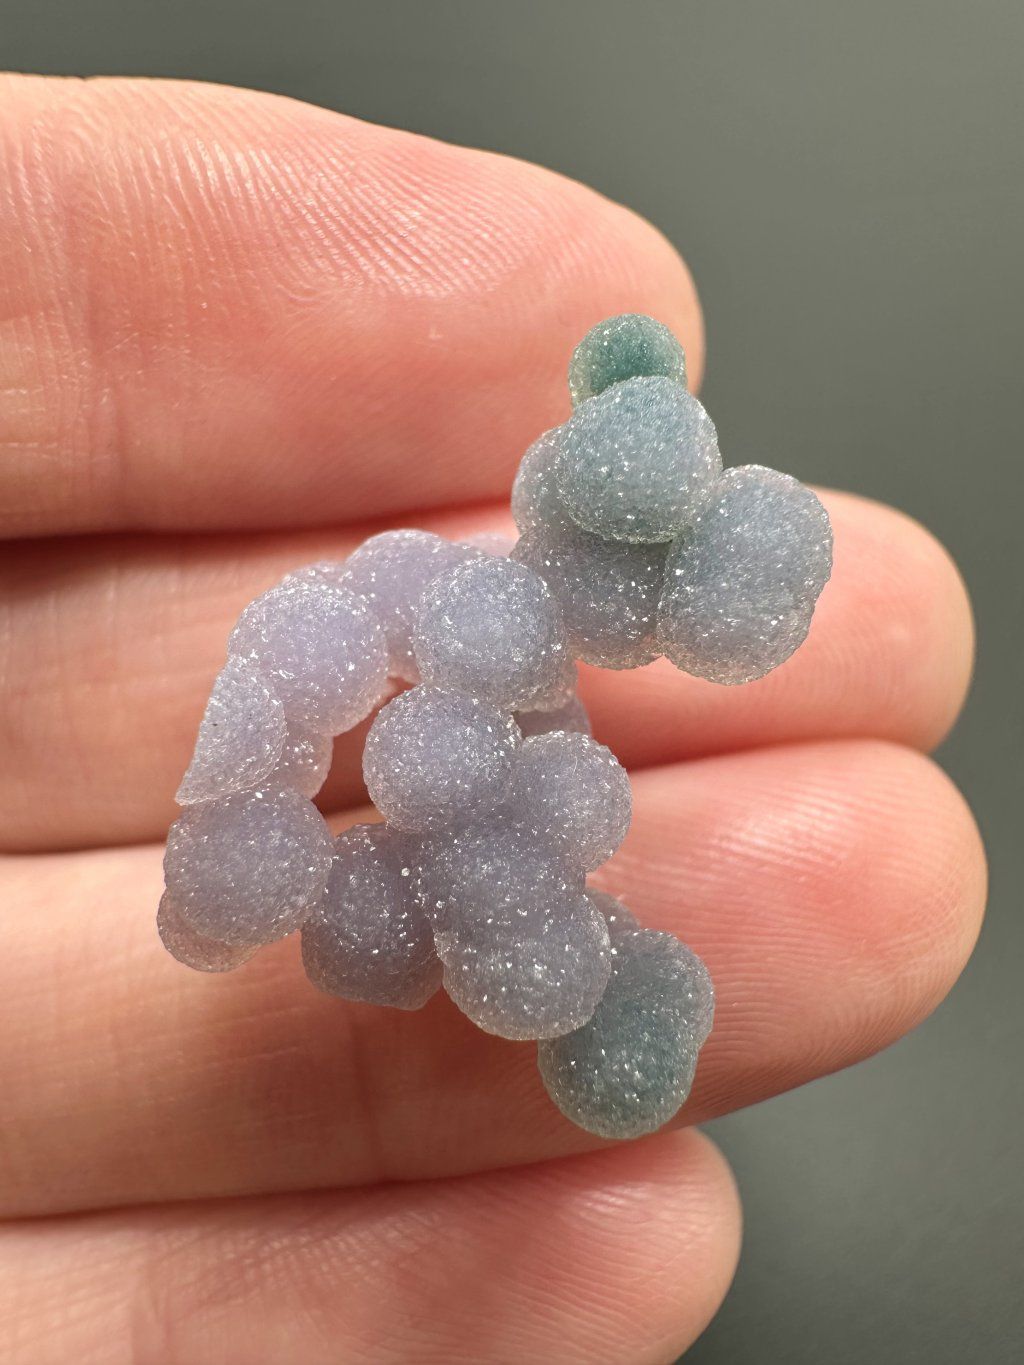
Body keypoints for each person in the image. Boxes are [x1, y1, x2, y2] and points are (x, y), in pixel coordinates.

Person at [0, 76, 986, 1364]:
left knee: (496, 848)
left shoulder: (513, 638)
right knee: (481, 850)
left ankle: (556, 968)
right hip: (412, 745)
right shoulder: (476, 631)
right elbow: (396, 714)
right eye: (654, 572)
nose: (664, 603)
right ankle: (561, 976)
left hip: (436, 752)